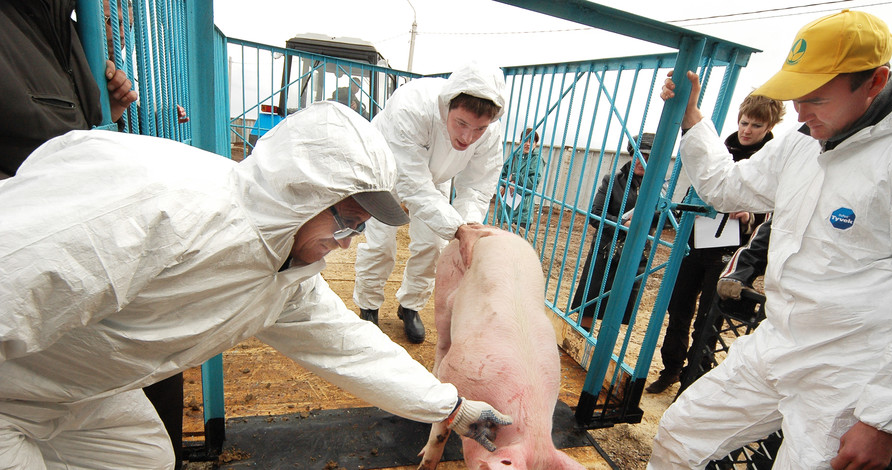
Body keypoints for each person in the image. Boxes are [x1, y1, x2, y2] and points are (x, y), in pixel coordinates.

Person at [0, 102, 512, 469]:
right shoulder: (165, 210)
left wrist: (452, 407)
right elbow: (20, 270)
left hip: (78, 391)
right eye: (348, 222)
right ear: (303, 193)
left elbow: (349, 348)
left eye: (360, 228)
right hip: (10, 386)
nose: (350, 240)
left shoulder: (285, 272)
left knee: (144, 455)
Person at [651, 10, 892, 468]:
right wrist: (692, 118)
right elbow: (726, 186)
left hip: (849, 368)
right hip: (778, 340)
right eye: (797, 96)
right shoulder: (802, 143)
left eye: (817, 99)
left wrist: (883, 418)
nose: (800, 112)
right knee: (681, 434)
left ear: (874, 81)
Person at [353, 62, 507, 344]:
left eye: (479, 129)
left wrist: (469, 225)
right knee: (380, 244)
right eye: (461, 123)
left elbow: (477, 185)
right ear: (447, 105)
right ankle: (369, 306)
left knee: (432, 245)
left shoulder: (490, 133)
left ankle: (410, 306)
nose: (467, 137)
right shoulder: (412, 107)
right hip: (386, 171)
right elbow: (412, 186)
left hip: (435, 176)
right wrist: (458, 230)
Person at [645, 94, 783, 394]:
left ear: (770, 126)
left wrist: (750, 216)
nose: (747, 130)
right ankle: (671, 369)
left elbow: (777, 216)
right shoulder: (720, 150)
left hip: (730, 253)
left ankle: (692, 381)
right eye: (744, 122)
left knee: (708, 320)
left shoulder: (773, 161)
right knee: (678, 309)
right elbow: (697, 187)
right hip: (696, 242)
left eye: (756, 125)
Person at [0, 0, 137, 178]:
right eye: (111, 21)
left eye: (128, 25)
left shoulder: (67, 36)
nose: (122, 33)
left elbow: (75, 131)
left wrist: (105, 113)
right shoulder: (77, 37)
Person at [570, 133, 655, 329]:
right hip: (605, 250)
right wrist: (622, 224)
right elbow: (595, 214)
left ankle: (603, 350)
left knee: (618, 308)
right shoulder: (612, 181)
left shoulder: (659, 188)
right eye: (639, 155)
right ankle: (581, 341)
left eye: (649, 157)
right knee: (590, 303)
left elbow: (667, 221)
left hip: (636, 253)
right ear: (631, 155)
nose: (642, 161)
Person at [498, 127, 543, 229]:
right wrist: (507, 183)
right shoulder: (514, 156)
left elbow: (532, 184)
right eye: (525, 140)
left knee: (519, 241)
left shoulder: (537, 159)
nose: (527, 144)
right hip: (506, 208)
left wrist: (514, 177)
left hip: (523, 211)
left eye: (531, 141)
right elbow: (502, 175)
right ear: (520, 141)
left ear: (535, 144)